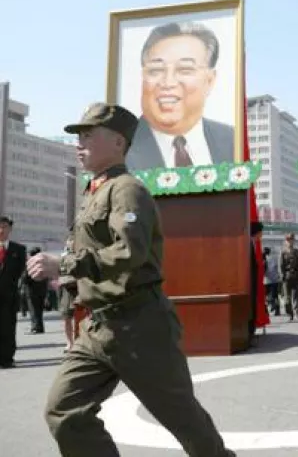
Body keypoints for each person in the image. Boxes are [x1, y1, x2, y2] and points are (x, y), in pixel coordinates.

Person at [26, 102, 234, 456]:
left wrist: (65, 265)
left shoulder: (126, 189)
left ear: (119, 143)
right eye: (79, 137)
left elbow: (129, 252)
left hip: (140, 326)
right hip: (97, 328)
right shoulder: (95, 192)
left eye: (89, 136)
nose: (80, 144)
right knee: (64, 412)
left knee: (184, 420)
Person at [126, 21, 234, 170]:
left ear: (209, 80)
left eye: (185, 69)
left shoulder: (232, 142)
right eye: (156, 70)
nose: (168, 82)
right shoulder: (121, 147)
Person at [0, 215, 27, 368]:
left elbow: (22, 272)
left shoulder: (19, 249)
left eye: (4, 226)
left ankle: (7, 358)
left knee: (8, 327)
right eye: (0, 226)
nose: (1, 230)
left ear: (10, 229)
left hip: (10, 296)